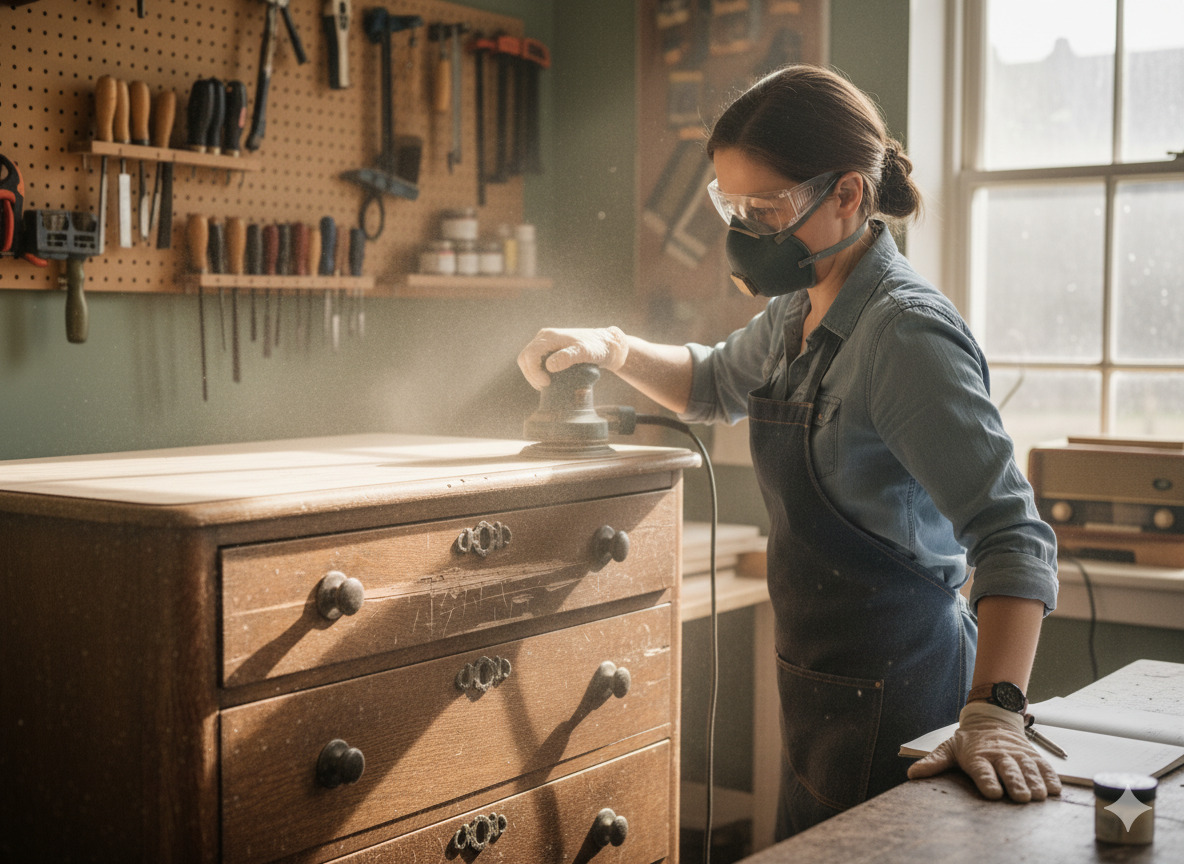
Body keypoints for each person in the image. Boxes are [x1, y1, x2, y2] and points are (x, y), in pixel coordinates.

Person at [518, 64, 1062, 839]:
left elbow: (1014, 536)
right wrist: (610, 347)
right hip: (821, 698)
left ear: (847, 194)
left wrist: (996, 713)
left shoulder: (903, 334)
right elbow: (712, 384)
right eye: (731, 207)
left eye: (767, 209)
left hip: (911, 703)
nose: (746, 232)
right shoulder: (797, 308)